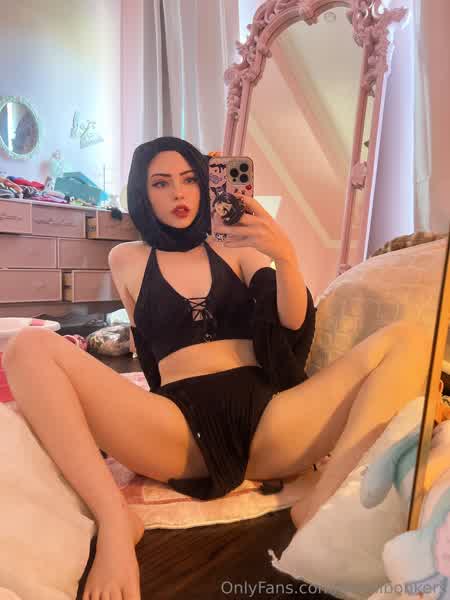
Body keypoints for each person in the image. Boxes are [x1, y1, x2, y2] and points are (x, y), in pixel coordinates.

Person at [3, 136, 431, 600]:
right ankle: (115, 520)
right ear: (143, 194)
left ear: (206, 186)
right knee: (27, 346)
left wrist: (284, 256)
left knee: (408, 339)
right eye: (161, 183)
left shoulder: (240, 249)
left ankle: (322, 503)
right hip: (178, 433)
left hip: (271, 424)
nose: (178, 193)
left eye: (189, 179)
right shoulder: (125, 258)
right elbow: (149, 354)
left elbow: (291, 322)